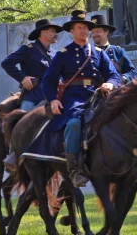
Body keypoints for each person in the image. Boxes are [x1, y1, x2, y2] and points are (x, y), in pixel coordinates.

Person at [42, 10, 121, 187]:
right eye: (79, 27)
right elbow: (48, 81)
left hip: (96, 96)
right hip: (72, 98)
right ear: (72, 30)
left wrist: (110, 84)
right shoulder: (63, 53)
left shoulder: (99, 52)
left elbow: (114, 75)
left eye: (85, 27)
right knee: (74, 124)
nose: (83, 31)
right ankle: (74, 170)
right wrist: (53, 100)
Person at [1, 19, 63, 111]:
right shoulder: (28, 49)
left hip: (53, 97)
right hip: (33, 97)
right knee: (24, 121)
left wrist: (60, 80)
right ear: (43, 32)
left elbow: (61, 73)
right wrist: (22, 78)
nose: (56, 34)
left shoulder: (55, 54)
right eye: (53, 31)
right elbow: (6, 63)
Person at [90, 14, 137, 83]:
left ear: (106, 31)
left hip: (115, 91)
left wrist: (123, 78)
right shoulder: (89, 52)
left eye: (97, 31)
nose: (94, 35)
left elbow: (132, 72)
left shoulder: (118, 51)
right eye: (93, 32)